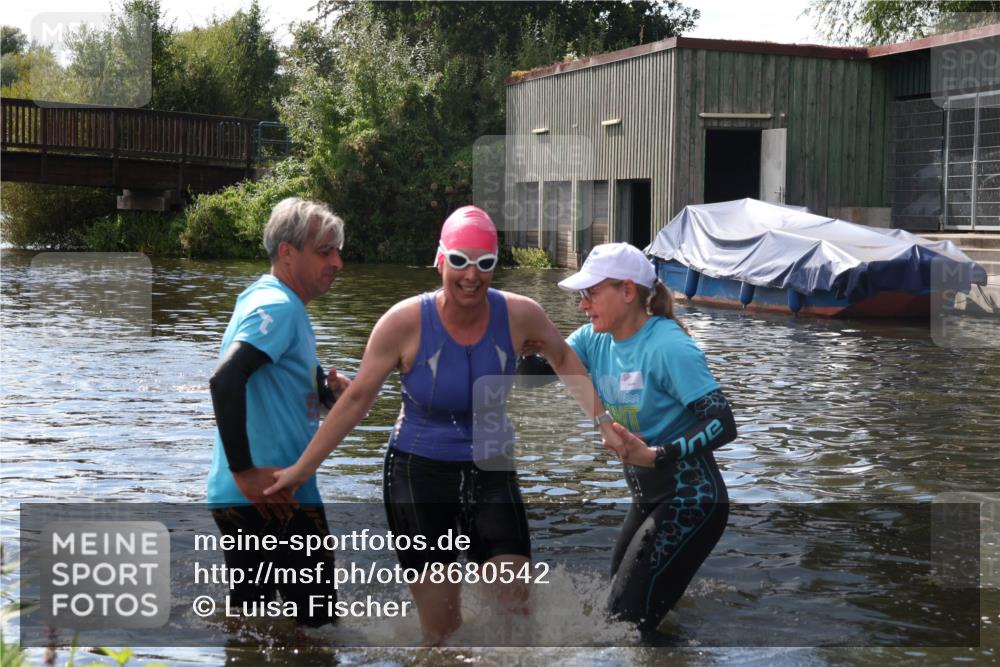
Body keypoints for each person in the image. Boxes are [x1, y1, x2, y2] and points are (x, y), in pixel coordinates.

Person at [264, 205, 623, 645]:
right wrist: (301, 470)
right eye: (459, 261)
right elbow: (357, 399)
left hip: (491, 470)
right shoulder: (403, 322)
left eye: (485, 263)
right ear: (440, 260)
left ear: (496, 265)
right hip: (418, 474)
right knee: (442, 631)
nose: (471, 275)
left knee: (518, 613)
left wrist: (603, 422)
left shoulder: (519, 314)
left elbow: (564, 357)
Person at [557, 242, 736, 637]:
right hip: (648, 498)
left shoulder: (670, 346)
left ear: (627, 291)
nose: (583, 305)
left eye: (591, 293)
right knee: (620, 612)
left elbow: (723, 423)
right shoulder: (592, 339)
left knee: (620, 626)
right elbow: (539, 366)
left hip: (691, 501)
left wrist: (656, 454)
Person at [206, 197, 350, 628]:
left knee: (252, 627)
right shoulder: (279, 307)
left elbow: (267, 386)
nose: (337, 262)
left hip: (253, 493)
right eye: (325, 251)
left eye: (337, 251)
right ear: (287, 252)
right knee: (318, 630)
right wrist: (246, 471)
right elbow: (225, 380)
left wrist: (325, 395)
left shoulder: (269, 299)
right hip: (274, 494)